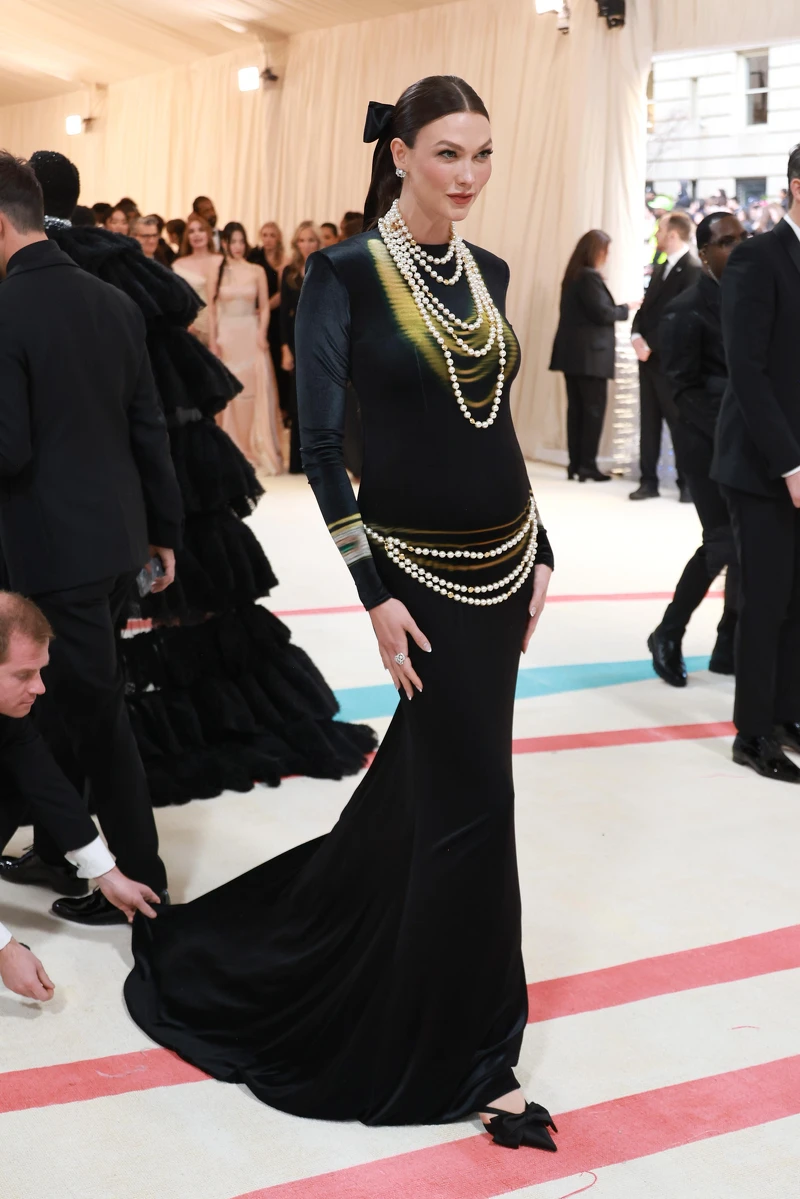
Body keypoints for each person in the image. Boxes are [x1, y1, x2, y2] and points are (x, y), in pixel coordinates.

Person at [125, 76, 558, 1154]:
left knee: (430, 787)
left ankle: (363, 947)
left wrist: (541, 540)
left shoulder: (491, 272)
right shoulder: (344, 275)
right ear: (400, 154)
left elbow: (492, 422)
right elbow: (321, 450)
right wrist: (372, 592)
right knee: (473, 798)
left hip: (504, 564)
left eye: (483, 153)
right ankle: (471, 1051)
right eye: (447, 152)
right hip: (417, 579)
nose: (468, 174)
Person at [0, 152, 183, 926]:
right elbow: (149, 428)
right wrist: (164, 533)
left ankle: (141, 879)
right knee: (58, 702)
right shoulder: (114, 302)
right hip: (116, 543)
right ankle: (56, 845)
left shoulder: (7, 309)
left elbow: (9, 449)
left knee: (98, 716)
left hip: (53, 551)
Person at [0, 594, 161, 1000]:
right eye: (24, 675)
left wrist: (109, 875)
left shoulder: (12, 713)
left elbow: (47, 784)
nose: (40, 687)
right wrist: (4, 950)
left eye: (41, 671)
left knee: (18, 776)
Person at [712, 145, 800, 783]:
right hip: (763, 465)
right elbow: (746, 370)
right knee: (766, 602)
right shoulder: (757, 257)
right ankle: (753, 731)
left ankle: (788, 712)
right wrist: (790, 464)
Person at [647, 212, 746, 688]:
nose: (737, 247)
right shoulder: (685, 308)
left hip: (748, 442)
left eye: (741, 238)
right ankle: (668, 633)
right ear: (704, 254)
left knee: (748, 541)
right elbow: (681, 392)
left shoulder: (751, 298)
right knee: (723, 540)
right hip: (704, 443)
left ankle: (729, 642)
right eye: (726, 242)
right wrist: (733, 428)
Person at [549, 229, 638, 481]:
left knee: (576, 410)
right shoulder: (588, 277)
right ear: (596, 252)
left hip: (573, 355)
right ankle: (587, 466)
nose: (606, 257)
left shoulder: (574, 276)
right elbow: (603, 313)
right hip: (591, 356)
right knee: (592, 411)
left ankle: (576, 464)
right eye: (605, 251)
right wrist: (626, 308)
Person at [630, 210, 701, 501]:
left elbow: (684, 317)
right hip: (648, 359)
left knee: (678, 423)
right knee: (648, 422)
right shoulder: (660, 267)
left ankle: (687, 484)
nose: (656, 235)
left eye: (660, 230)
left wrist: (653, 344)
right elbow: (646, 308)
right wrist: (636, 336)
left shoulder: (693, 268)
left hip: (673, 362)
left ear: (672, 234)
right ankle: (648, 481)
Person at [210, 222, 284, 474]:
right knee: (230, 392)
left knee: (252, 391)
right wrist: (214, 340)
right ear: (225, 243)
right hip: (226, 335)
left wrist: (262, 333)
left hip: (251, 333)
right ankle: (232, 449)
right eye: (233, 241)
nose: (238, 246)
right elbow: (212, 309)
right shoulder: (218, 270)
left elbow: (265, 306)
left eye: (241, 241)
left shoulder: (256, 270)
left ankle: (254, 448)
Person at [280, 220, 321, 474]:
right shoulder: (290, 272)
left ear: (318, 242)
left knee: (320, 397)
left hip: (322, 338)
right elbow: (284, 313)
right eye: (302, 240)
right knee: (298, 400)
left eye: (311, 240)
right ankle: (298, 461)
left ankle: (322, 459)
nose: (306, 245)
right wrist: (285, 348)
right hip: (297, 339)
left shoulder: (326, 265)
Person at [247, 221, 290, 420]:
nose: (268, 239)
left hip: (277, 316)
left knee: (278, 359)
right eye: (265, 235)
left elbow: (283, 293)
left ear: (278, 237)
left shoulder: (284, 260)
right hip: (257, 316)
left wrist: (263, 308)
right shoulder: (254, 258)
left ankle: (282, 408)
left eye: (272, 235)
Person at [173, 213, 222, 346]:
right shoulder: (179, 265)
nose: (196, 235)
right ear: (187, 237)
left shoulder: (221, 261)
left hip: (222, 325)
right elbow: (177, 301)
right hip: (193, 328)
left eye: (201, 230)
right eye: (191, 231)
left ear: (208, 233)